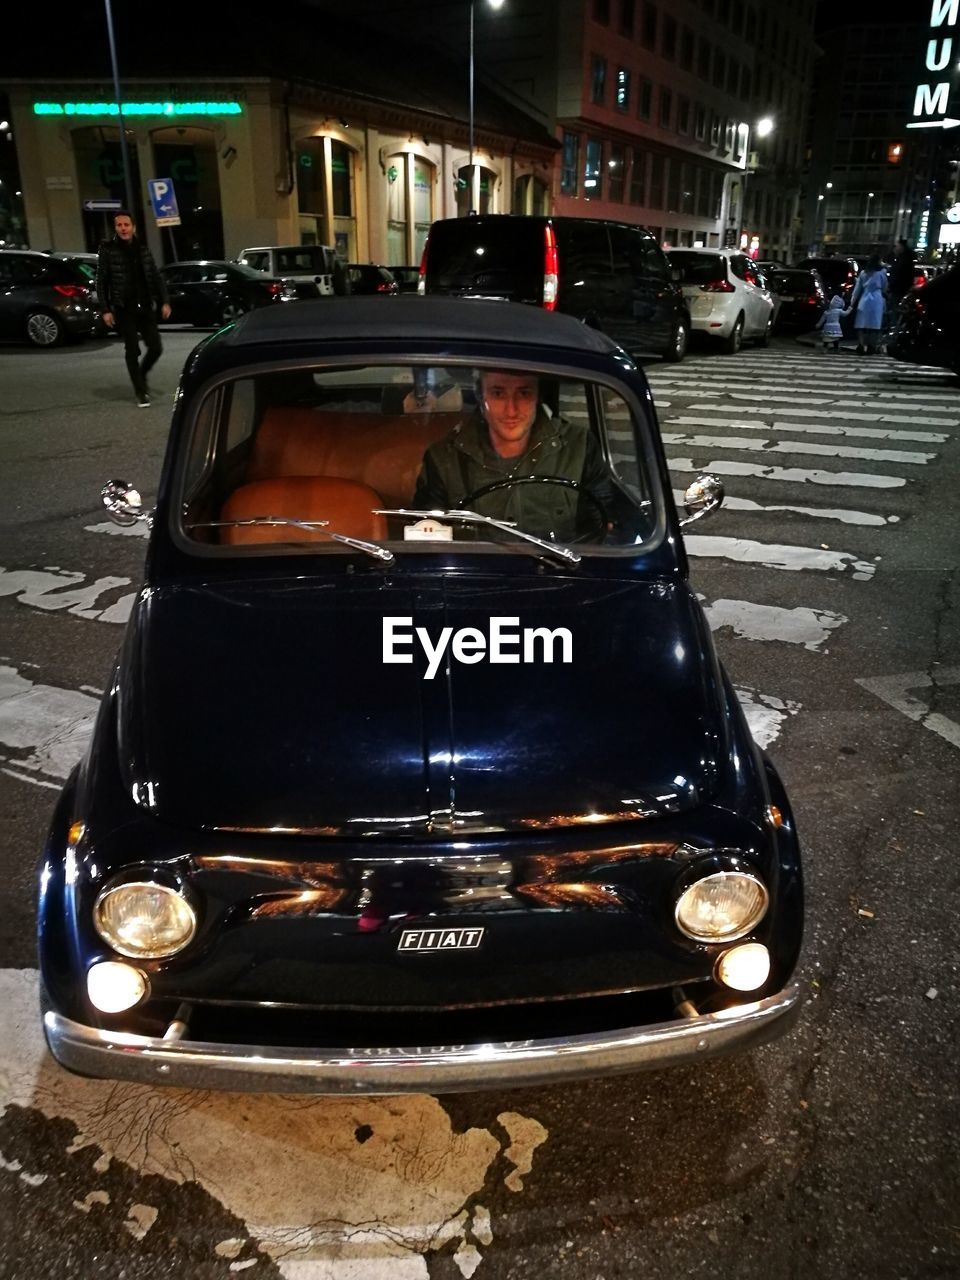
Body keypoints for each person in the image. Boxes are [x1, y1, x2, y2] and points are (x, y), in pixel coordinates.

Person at [413, 369, 613, 542]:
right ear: (481, 397)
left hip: (559, 576)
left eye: (524, 393)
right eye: (498, 393)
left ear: (538, 396)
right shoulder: (444, 458)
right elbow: (428, 539)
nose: (511, 410)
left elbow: (601, 532)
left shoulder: (579, 446)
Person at [96, 210, 171, 407]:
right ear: (115, 228)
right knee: (133, 350)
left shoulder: (143, 249)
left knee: (156, 347)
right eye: (119, 225)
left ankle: (142, 374)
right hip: (124, 308)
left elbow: (155, 276)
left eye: (126, 225)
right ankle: (140, 391)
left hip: (145, 306)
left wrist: (165, 301)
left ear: (133, 227)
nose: (123, 228)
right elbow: (101, 282)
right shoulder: (107, 250)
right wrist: (105, 310)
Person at [844, 255, 888, 355]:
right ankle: (871, 346)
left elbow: (857, 290)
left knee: (861, 324)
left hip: (865, 299)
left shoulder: (864, 273)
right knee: (874, 325)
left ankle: (861, 345)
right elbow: (885, 287)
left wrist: (852, 302)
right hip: (877, 299)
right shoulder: (882, 273)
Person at [888, 238, 916, 305]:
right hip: (901, 288)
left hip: (899, 289)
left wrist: (891, 285)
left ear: (901, 247)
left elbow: (897, 273)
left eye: (897, 246)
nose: (896, 248)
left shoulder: (903, 259)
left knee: (895, 307)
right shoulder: (906, 258)